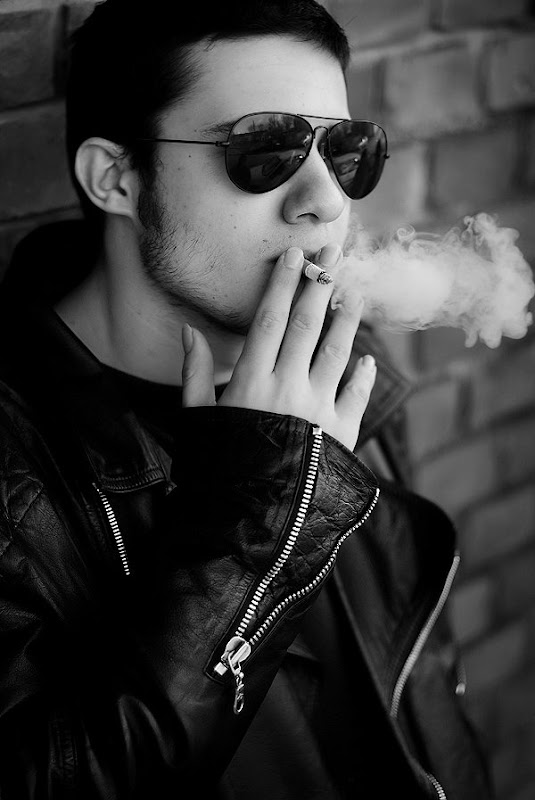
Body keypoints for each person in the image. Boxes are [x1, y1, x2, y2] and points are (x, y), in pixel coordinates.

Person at [0, 1, 493, 797]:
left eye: (345, 151)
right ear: (116, 177)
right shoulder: (15, 469)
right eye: (264, 151)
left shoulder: (342, 362)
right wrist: (260, 513)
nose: (325, 200)